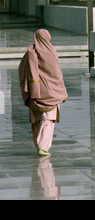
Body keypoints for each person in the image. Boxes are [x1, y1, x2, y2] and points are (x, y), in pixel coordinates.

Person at [19, 29, 68, 157]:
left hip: (34, 93)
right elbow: (56, 74)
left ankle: (38, 145)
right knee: (48, 120)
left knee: (36, 120)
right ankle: (43, 147)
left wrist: (32, 88)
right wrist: (61, 91)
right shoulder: (51, 52)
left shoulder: (30, 52)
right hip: (51, 93)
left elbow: (22, 70)